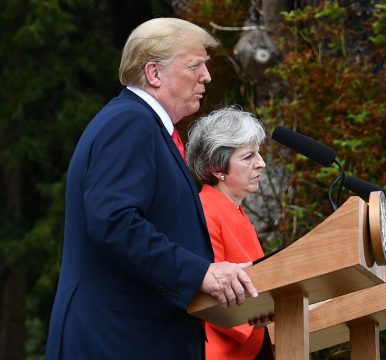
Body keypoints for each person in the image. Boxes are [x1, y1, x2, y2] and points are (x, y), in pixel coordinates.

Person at [45, 18, 259, 360]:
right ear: (154, 73)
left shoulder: (145, 127)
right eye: (195, 65)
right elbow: (113, 222)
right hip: (116, 340)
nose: (207, 76)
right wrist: (200, 273)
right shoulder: (130, 123)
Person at [187, 107, 274, 360]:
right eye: (248, 157)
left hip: (255, 342)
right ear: (217, 168)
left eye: (258, 153)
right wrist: (263, 310)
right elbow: (211, 287)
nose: (261, 163)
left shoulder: (234, 209)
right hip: (226, 349)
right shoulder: (205, 209)